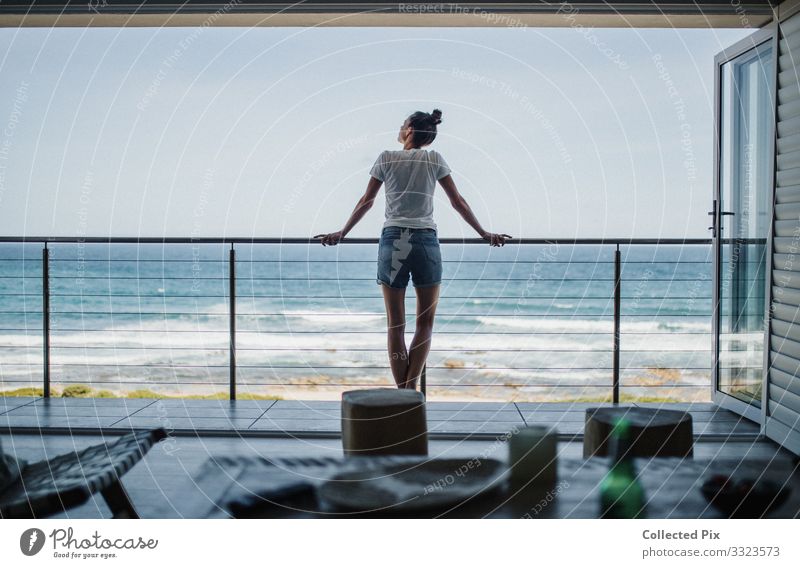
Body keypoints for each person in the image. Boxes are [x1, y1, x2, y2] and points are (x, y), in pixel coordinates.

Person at [314, 108, 512, 390]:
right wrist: (483, 233)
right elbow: (458, 202)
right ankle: (411, 387)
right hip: (426, 242)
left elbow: (366, 201)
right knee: (425, 324)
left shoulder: (386, 157)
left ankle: (402, 393)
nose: (400, 127)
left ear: (408, 130)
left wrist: (342, 233)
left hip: (394, 240)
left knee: (396, 325)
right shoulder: (434, 160)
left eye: (403, 124)